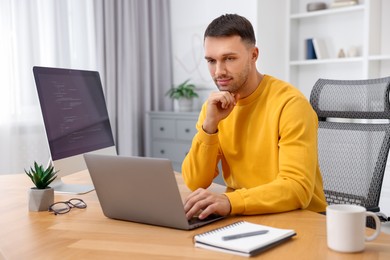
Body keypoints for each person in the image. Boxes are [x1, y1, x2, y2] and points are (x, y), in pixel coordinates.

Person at [182, 14, 327, 220]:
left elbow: (297, 189)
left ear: (254, 55)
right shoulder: (213, 109)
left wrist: (231, 201)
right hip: (245, 215)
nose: (219, 71)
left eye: (229, 58)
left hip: (300, 218)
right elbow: (195, 182)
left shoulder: (290, 104)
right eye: (211, 61)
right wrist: (210, 127)